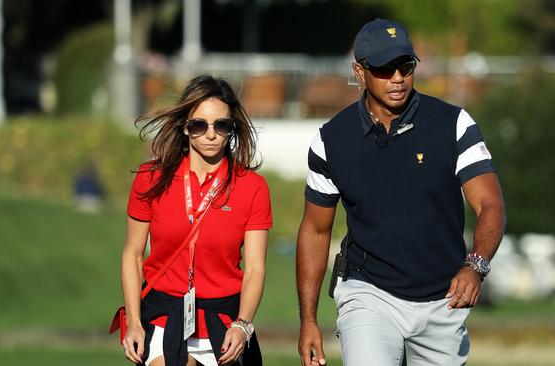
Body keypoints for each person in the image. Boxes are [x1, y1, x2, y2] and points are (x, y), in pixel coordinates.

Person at [296, 18, 506, 366]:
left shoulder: (454, 124)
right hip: (368, 294)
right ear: (360, 71)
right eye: (384, 68)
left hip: (444, 298)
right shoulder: (331, 140)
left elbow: (490, 203)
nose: (397, 77)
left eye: (405, 66)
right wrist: (308, 320)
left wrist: (476, 265)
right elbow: (315, 230)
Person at [121, 75, 272, 366]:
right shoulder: (149, 179)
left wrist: (243, 324)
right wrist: (135, 323)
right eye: (199, 125)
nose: (211, 134)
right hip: (164, 317)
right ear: (185, 127)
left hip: (224, 323)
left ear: (232, 129)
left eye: (221, 125)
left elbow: (255, 268)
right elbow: (133, 254)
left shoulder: (252, 187)